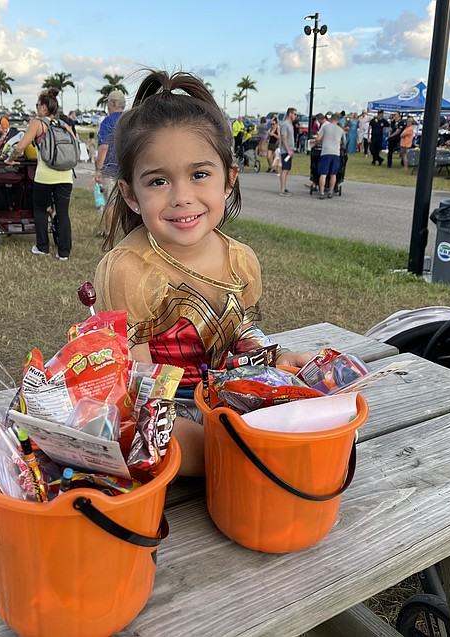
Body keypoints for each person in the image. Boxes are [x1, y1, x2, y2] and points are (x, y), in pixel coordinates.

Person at [93, 70, 312, 476]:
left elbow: (240, 338)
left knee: (310, 408)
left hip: (227, 398)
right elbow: (138, 389)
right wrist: (207, 432)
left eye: (199, 174)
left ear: (228, 180)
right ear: (130, 194)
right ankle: (231, 461)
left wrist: (278, 359)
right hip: (163, 414)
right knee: (210, 451)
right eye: (158, 180)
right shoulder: (128, 269)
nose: (182, 197)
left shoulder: (241, 260)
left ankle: (240, 455)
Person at [7, 89, 77, 258]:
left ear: (44, 108)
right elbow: (74, 147)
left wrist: (10, 159)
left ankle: (42, 247)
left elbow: (21, 146)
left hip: (45, 176)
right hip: (66, 175)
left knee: (39, 209)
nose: (36, 108)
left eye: (37, 105)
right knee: (62, 213)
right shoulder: (64, 125)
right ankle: (64, 252)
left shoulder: (38, 124)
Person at [95, 89, 127, 238]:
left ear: (112, 104)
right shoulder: (130, 119)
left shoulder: (108, 121)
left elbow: (103, 148)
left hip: (111, 169)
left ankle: (109, 233)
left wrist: (98, 170)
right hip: (128, 168)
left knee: (111, 203)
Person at [315, 112, 343, 199]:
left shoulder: (325, 127)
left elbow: (318, 139)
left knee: (323, 173)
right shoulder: (340, 130)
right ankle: (330, 192)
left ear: (331, 119)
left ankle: (322, 192)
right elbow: (344, 142)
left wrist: (320, 141)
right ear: (338, 121)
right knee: (333, 174)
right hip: (335, 153)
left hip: (326, 152)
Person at [278, 107, 296, 196]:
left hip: (290, 150)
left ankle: (284, 188)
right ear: (290, 114)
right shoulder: (285, 124)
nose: (295, 116)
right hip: (285, 150)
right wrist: (288, 150)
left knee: (287, 169)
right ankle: (282, 190)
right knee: (284, 169)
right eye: (295, 114)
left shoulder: (290, 124)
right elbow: (284, 138)